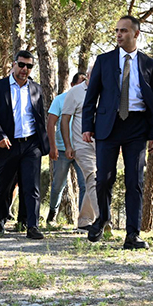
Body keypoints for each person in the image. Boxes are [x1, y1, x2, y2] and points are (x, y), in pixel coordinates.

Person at [82, 15, 153, 249]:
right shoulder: (104, 61)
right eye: (117, 30)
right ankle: (102, 218)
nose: (119, 34)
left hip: (137, 127)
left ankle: (132, 235)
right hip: (108, 126)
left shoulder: (149, 64)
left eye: (124, 31)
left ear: (136, 34)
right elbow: (91, 98)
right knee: (104, 180)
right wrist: (87, 126)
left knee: (134, 181)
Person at [0, 50, 50, 240]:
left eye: (29, 66)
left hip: (31, 144)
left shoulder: (36, 89)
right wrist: (0, 136)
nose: (24, 69)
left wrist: (41, 142)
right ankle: (0, 218)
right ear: (14, 64)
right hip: (7, 145)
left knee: (32, 186)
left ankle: (32, 225)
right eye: (21, 65)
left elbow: (40, 117)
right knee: (4, 185)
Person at [46, 72, 88, 223]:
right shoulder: (60, 100)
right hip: (62, 150)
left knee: (85, 185)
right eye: (80, 83)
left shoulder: (88, 99)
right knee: (58, 184)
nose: (83, 86)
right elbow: (51, 123)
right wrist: (53, 146)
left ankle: (83, 220)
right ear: (72, 85)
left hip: (81, 149)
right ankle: (52, 213)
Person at [60, 66, 98, 230]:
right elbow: (64, 120)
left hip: (102, 145)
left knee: (99, 179)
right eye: (92, 75)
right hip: (81, 145)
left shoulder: (105, 91)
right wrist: (68, 145)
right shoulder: (75, 92)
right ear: (87, 76)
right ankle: (104, 219)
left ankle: (84, 221)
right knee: (93, 177)